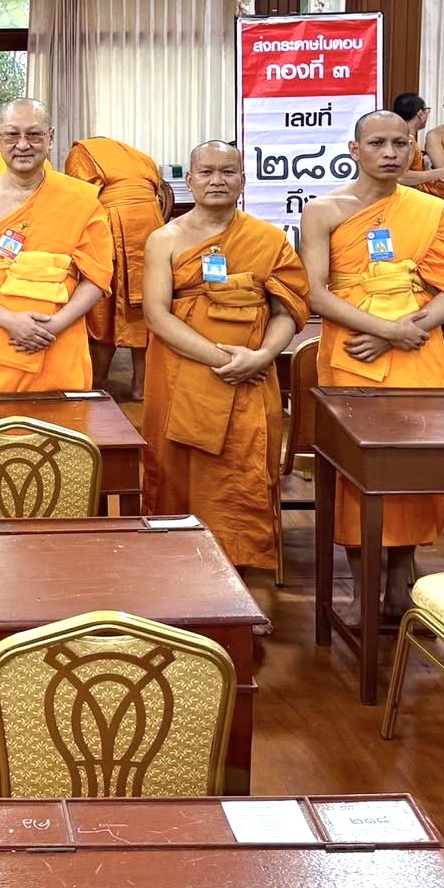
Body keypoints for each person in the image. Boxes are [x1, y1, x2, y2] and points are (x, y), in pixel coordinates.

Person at [300, 109, 444, 611]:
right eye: (378, 143)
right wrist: (381, 331)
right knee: (359, 470)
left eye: (401, 144)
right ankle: (362, 586)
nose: (392, 153)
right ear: (355, 151)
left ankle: (401, 583)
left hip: (417, 354)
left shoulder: (425, 209)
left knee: (414, 469)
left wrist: (402, 333)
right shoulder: (324, 210)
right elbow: (315, 292)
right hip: (352, 352)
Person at [141, 139, 306, 572]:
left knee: (245, 468)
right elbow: (157, 316)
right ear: (189, 180)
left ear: (243, 181)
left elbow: (288, 308)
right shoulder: (165, 240)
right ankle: (179, 570)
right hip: (183, 375)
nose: (218, 180)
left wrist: (264, 355)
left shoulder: (268, 239)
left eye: (228, 172)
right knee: (181, 470)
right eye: (207, 172)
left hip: (252, 375)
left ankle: (241, 576)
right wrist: (222, 358)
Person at [0, 98, 111, 393]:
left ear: (49, 139)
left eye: (34, 135)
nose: (23, 144)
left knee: (62, 433)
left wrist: (56, 324)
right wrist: (10, 321)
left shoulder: (82, 199)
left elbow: (97, 278)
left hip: (61, 338)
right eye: (12, 135)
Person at [63, 133, 172, 399]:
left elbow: (79, 198)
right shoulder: (138, 156)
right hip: (151, 226)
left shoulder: (82, 152)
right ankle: (141, 386)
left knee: (104, 304)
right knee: (145, 301)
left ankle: (97, 383)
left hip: (113, 226)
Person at [391, 93, 444, 193]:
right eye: (426, 111)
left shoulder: (400, 137)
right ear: (420, 114)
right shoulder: (408, 140)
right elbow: (400, 177)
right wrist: (439, 173)